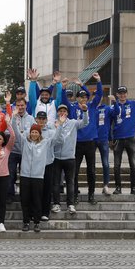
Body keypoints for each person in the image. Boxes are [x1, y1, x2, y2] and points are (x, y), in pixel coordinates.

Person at [62, 73, 102, 204]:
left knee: (91, 171)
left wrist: (95, 82)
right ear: (77, 98)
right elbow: (64, 101)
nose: (83, 99)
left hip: (90, 142)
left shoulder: (91, 106)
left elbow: (100, 95)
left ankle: (91, 195)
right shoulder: (72, 108)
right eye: (81, 97)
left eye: (85, 97)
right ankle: (75, 195)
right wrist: (63, 88)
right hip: (77, 143)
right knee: (75, 171)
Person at [15, 122, 63, 232]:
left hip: (38, 176)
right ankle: (26, 222)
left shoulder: (45, 143)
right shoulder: (25, 142)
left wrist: (60, 125)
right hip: (25, 175)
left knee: (37, 200)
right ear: (30, 133)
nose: (34, 134)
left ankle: (37, 222)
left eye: (36, 132)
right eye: (32, 132)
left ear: (39, 133)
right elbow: (16, 134)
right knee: (25, 200)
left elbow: (56, 138)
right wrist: (13, 119)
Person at [52, 104, 89, 213]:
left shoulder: (73, 123)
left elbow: (85, 122)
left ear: (67, 113)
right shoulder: (54, 123)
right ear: (57, 113)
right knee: (56, 183)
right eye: (60, 111)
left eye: (64, 111)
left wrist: (85, 111)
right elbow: (54, 139)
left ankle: (70, 204)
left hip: (69, 158)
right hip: (56, 158)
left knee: (70, 182)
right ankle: (56, 204)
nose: (62, 113)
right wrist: (59, 125)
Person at [8, 98, 35, 203]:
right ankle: (10, 195)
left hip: (26, 151)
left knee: (24, 175)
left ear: (25, 105)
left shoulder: (31, 119)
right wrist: (13, 118)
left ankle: (24, 195)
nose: (20, 107)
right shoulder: (11, 118)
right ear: (15, 107)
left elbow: (33, 134)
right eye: (18, 105)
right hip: (13, 151)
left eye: (22, 105)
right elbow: (10, 131)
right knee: (11, 174)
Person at [95, 95, 114, 195]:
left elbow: (116, 114)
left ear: (101, 97)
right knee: (91, 164)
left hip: (103, 139)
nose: (97, 97)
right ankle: (91, 186)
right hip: (92, 139)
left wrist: (115, 102)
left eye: (98, 95)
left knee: (105, 163)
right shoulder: (90, 107)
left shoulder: (107, 108)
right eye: (94, 95)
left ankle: (106, 185)